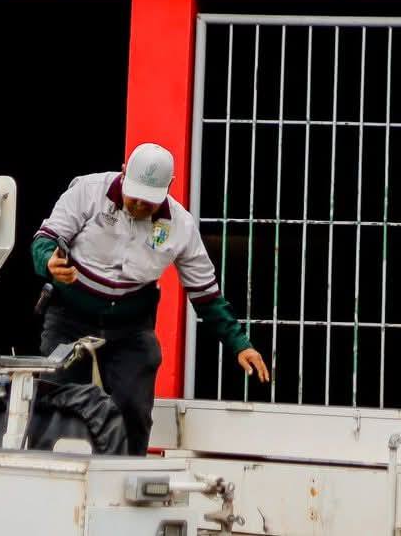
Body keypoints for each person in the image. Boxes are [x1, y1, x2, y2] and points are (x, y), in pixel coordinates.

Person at [32, 142, 268, 454]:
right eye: (135, 196)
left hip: (130, 325)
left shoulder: (181, 226)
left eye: (149, 201)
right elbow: (44, 240)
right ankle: (49, 473)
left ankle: (126, 474)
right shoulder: (87, 192)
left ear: (167, 190)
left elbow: (206, 294)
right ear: (124, 172)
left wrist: (240, 344)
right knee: (59, 399)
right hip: (70, 317)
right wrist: (50, 264)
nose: (140, 205)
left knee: (133, 407)